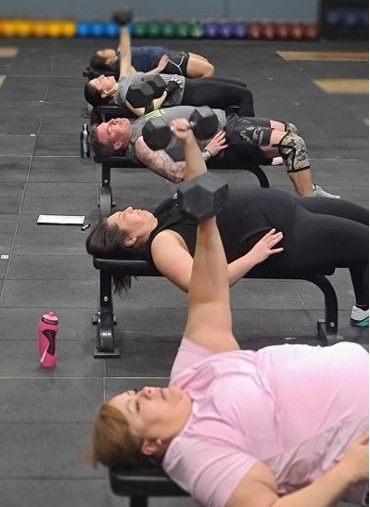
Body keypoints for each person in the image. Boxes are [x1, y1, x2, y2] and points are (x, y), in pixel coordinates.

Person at [86, 121, 369, 507]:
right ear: (152, 445)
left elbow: (208, 299)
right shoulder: (197, 453)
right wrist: (348, 471)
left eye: (136, 393)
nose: (146, 391)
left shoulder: (191, 375)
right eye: (139, 406)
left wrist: (201, 196)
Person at [85, 183, 369, 329]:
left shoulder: (160, 215)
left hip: (292, 208)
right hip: (289, 234)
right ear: (129, 239)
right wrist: (253, 257)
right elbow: (203, 285)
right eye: (123, 217)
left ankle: (363, 310)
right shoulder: (163, 244)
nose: (129, 209)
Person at [89, 106, 340, 199]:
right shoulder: (141, 144)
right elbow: (176, 174)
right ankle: (310, 202)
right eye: (109, 130)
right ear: (118, 145)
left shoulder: (135, 125)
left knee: (289, 130)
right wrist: (207, 152)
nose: (112, 122)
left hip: (226, 120)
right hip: (225, 132)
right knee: (293, 143)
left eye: (108, 122)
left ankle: (305, 186)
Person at [84, 25, 255, 117]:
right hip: (187, 94)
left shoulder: (123, 81)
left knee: (241, 87)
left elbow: (126, 55)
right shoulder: (124, 93)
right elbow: (145, 113)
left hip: (188, 85)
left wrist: (123, 29)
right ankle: (252, 144)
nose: (102, 76)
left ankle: (240, 126)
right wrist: (166, 91)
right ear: (104, 93)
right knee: (244, 95)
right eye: (98, 81)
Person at [88, 43, 215, 79]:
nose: (106, 49)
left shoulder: (120, 54)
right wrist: (159, 69)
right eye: (104, 52)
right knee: (208, 70)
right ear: (106, 61)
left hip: (171, 54)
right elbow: (137, 78)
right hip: (169, 62)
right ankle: (203, 100)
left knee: (206, 63)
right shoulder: (122, 66)